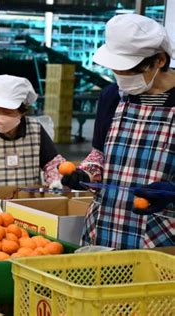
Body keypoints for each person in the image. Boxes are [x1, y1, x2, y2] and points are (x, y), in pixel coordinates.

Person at [61, 14, 174, 249]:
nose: (122, 77)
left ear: (160, 60)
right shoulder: (112, 97)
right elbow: (99, 155)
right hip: (105, 227)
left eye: (130, 70)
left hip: (161, 236)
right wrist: (86, 174)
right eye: (116, 69)